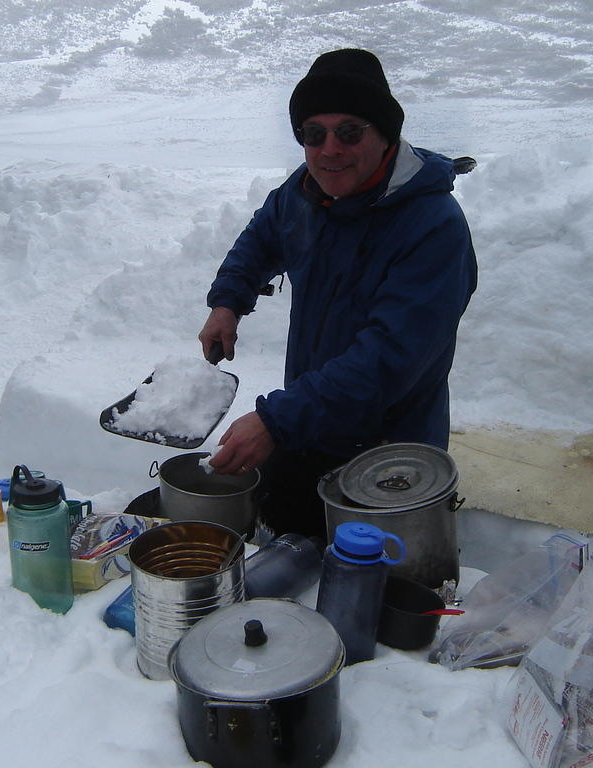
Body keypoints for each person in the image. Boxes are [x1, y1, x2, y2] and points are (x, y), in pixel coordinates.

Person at [198, 48, 477, 540]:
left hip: (387, 453)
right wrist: (228, 301)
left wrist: (275, 421)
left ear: (384, 136)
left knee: (367, 587)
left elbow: (390, 359)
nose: (330, 149)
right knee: (289, 554)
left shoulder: (433, 227)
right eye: (313, 133)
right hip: (311, 423)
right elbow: (262, 238)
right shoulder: (306, 191)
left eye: (350, 131)